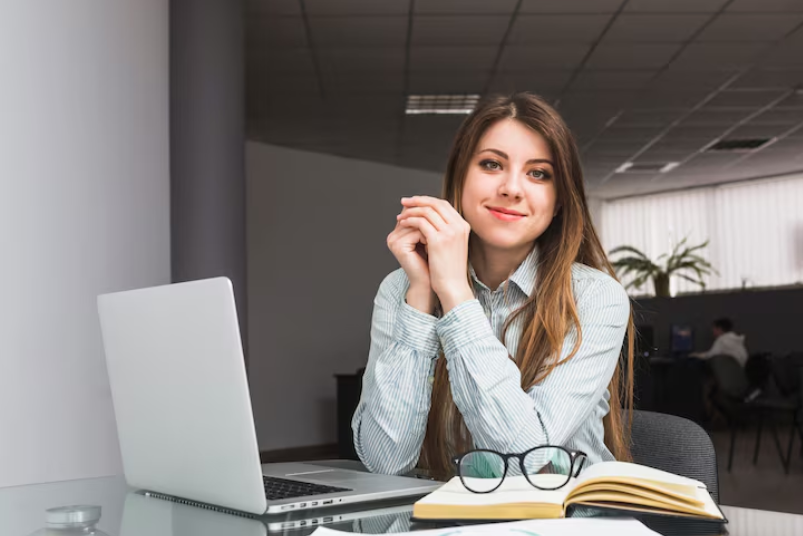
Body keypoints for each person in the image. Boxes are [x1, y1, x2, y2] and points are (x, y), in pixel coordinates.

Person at [351, 93, 635, 480]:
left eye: (539, 173)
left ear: (559, 201)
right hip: (446, 511)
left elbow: (524, 461)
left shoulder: (594, 297)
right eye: (491, 164)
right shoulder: (401, 288)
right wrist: (421, 296)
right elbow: (384, 462)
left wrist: (455, 293)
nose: (512, 188)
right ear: (459, 178)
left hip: (559, 512)